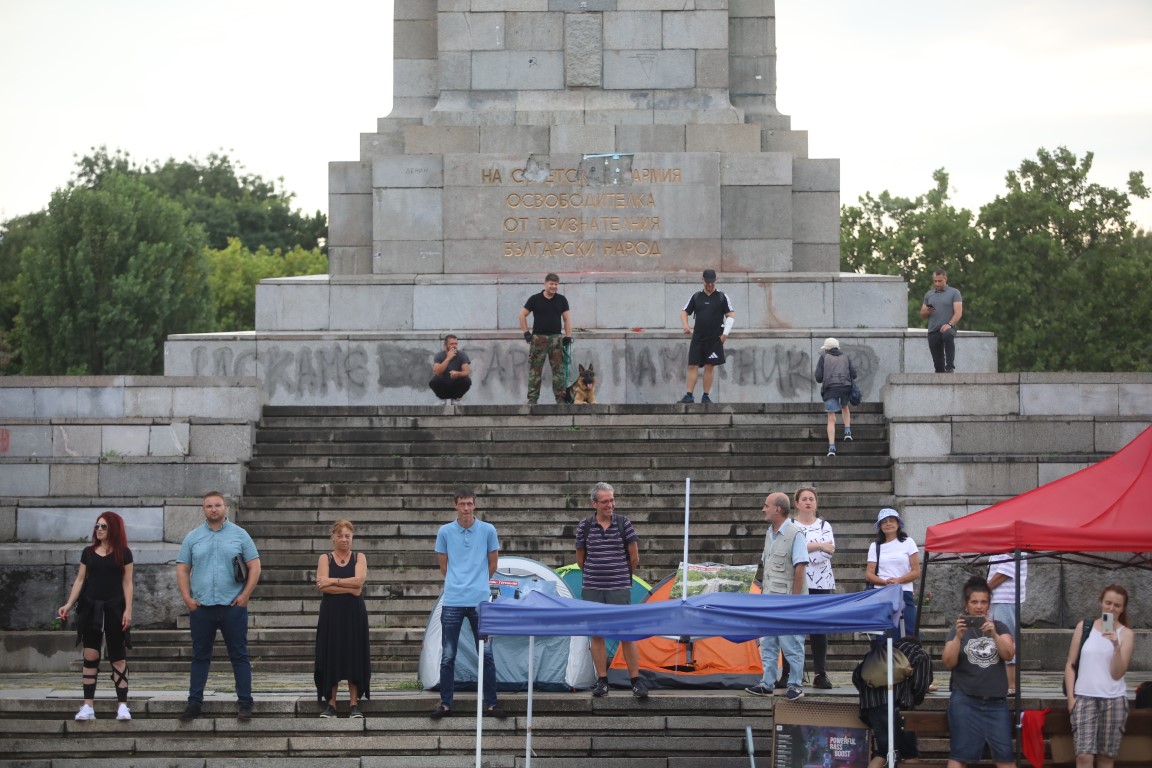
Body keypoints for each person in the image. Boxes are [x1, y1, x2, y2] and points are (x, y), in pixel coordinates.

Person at [175, 490, 261, 721]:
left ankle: (245, 702)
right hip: (202, 607)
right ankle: (194, 703)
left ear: (225, 508)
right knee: (200, 656)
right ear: (204, 510)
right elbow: (182, 568)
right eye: (209, 506)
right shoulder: (193, 537)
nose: (213, 509)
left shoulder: (240, 535)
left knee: (239, 655)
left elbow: (255, 565)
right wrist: (187, 598)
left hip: (232, 605)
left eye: (217, 505)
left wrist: (245, 595)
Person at [431, 487, 506, 720]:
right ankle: (445, 703)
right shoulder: (444, 532)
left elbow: (492, 563)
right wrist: (459, 582)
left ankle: (491, 704)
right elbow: (444, 567)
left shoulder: (487, 530)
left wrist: (477, 584)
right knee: (448, 655)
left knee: (487, 654)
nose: (466, 508)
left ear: (475, 505)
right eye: (462, 504)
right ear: (455, 505)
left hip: (480, 601)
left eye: (470, 504)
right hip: (453, 599)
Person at [57, 512, 134, 721]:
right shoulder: (88, 552)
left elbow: (128, 583)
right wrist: (68, 604)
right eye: (97, 526)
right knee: (90, 655)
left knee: (118, 657)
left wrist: (128, 609)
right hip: (91, 607)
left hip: (115, 607)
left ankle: (123, 706)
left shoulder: (124, 553)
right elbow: (81, 580)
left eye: (104, 526)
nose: (99, 529)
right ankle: (88, 706)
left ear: (114, 529)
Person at [576, 482, 647, 700]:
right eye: (605, 501)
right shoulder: (584, 526)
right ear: (594, 503)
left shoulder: (624, 523)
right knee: (597, 634)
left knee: (625, 633)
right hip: (593, 588)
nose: (610, 505)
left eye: (612, 500)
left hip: (619, 587)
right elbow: (580, 560)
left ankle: (635, 680)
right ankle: (602, 680)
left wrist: (621, 576)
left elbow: (634, 557)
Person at [942, 576, 1015, 768]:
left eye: (984, 602)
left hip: (996, 702)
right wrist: (958, 637)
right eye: (974, 602)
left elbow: (1008, 654)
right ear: (966, 605)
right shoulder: (958, 629)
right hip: (965, 699)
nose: (979, 606)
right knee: (959, 756)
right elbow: (948, 662)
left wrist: (994, 635)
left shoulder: (1000, 627)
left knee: (1005, 757)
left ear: (989, 605)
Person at [745, 492, 808, 701]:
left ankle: (796, 685)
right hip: (769, 597)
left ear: (777, 509)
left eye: (766, 506)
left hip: (787, 599)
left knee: (791, 643)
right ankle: (767, 683)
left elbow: (800, 567)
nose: (763, 509)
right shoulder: (769, 532)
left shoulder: (795, 533)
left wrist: (796, 600)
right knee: (768, 642)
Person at [1065, 584, 1136, 768]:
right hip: (1084, 697)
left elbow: (1117, 673)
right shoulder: (1085, 627)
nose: (1111, 608)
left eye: (1117, 605)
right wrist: (1071, 699)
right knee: (1084, 756)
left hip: (1113, 700)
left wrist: (1116, 646)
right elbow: (1071, 664)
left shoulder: (1126, 634)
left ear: (1123, 608)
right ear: (1101, 602)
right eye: (1108, 603)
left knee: (1106, 758)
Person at [314, 519, 371, 718]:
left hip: (354, 615)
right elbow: (323, 587)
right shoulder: (325, 559)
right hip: (331, 614)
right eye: (340, 536)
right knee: (332, 654)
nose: (344, 539)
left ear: (352, 537)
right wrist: (346, 586)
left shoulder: (359, 557)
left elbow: (359, 583)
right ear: (333, 538)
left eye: (348, 536)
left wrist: (333, 581)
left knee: (353, 655)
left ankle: (354, 704)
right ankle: (332, 704)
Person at [852, 635, 933, 768]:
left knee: (882, 753)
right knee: (910, 755)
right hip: (899, 709)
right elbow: (920, 685)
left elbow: (857, 677)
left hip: (873, 707)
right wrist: (915, 700)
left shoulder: (879, 652)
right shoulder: (920, 654)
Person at [794, 486, 836, 689]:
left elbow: (828, 553)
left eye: (812, 499)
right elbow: (792, 551)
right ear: (797, 503)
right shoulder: (790, 525)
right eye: (804, 499)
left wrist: (805, 549)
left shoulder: (825, 525)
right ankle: (792, 672)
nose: (808, 502)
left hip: (822, 582)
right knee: (794, 628)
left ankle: (821, 673)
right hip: (797, 581)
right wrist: (819, 545)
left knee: (819, 629)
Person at [677, 268, 734, 404]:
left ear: (716, 281)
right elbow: (684, 312)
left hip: (714, 338)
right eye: (707, 282)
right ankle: (689, 395)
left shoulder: (722, 297)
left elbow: (730, 316)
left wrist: (725, 334)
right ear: (702, 280)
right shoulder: (696, 296)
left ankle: (706, 396)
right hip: (698, 337)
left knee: (710, 366)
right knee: (693, 365)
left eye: (712, 282)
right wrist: (686, 325)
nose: (710, 285)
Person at [865, 509, 921, 639]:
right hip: (883, 593)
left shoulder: (908, 542)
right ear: (880, 526)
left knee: (910, 632)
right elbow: (869, 574)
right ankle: (885, 658)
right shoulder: (875, 546)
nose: (888, 524)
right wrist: (885, 582)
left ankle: (909, 659)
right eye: (884, 522)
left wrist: (898, 580)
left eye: (891, 520)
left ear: (898, 523)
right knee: (885, 635)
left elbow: (916, 571)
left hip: (904, 592)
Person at [518, 273, 572, 405]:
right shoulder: (535, 299)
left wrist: (568, 336)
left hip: (556, 338)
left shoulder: (562, 300)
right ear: (545, 284)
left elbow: (566, 319)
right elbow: (522, 315)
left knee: (558, 371)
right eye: (551, 284)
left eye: (556, 284)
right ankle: (532, 399)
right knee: (535, 371)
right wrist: (526, 333)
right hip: (538, 339)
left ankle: (560, 399)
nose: (554, 287)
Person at [986, 554, 1028, 693]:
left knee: (1007, 639)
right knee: (999, 639)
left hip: (1005, 598)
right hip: (999, 598)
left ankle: (1011, 685)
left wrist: (984, 589)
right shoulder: (1002, 543)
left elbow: (1005, 571)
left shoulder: (1010, 544)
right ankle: (1004, 681)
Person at [814, 337, 855, 457]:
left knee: (831, 418)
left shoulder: (823, 357)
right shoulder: (846, 356)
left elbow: (818, 377)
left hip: (831, 389)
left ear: (826, 349)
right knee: (845, 406)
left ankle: (832, 448)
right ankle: (847, 431)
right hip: (845, 387)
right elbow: (854, 373)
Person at [920, 268, 963, 373]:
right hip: (933, 330)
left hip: (948, 327)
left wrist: (949, 324)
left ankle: (950, 367)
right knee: (938, 366)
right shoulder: (929, 295)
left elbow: (958, 312)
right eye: (935, 281)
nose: (937, 284)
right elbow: (922, 314)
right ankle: (941, 375)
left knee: (948, 335)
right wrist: (927, 311)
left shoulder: (954, 292)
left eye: (940, 281)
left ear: (945, 279)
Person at [428, 334, 472, 403]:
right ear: (445, 346)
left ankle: (456, 399)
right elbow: (437, 372)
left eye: (456, 344)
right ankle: (442, 399)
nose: (454, 346)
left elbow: (466, 372)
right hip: (443, 384)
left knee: (467, 381)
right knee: (434, 381)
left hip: (456, 384)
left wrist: (458, 374)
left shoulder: (462, 355)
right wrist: (448, 358)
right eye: (451, 344)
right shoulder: (439, 355)